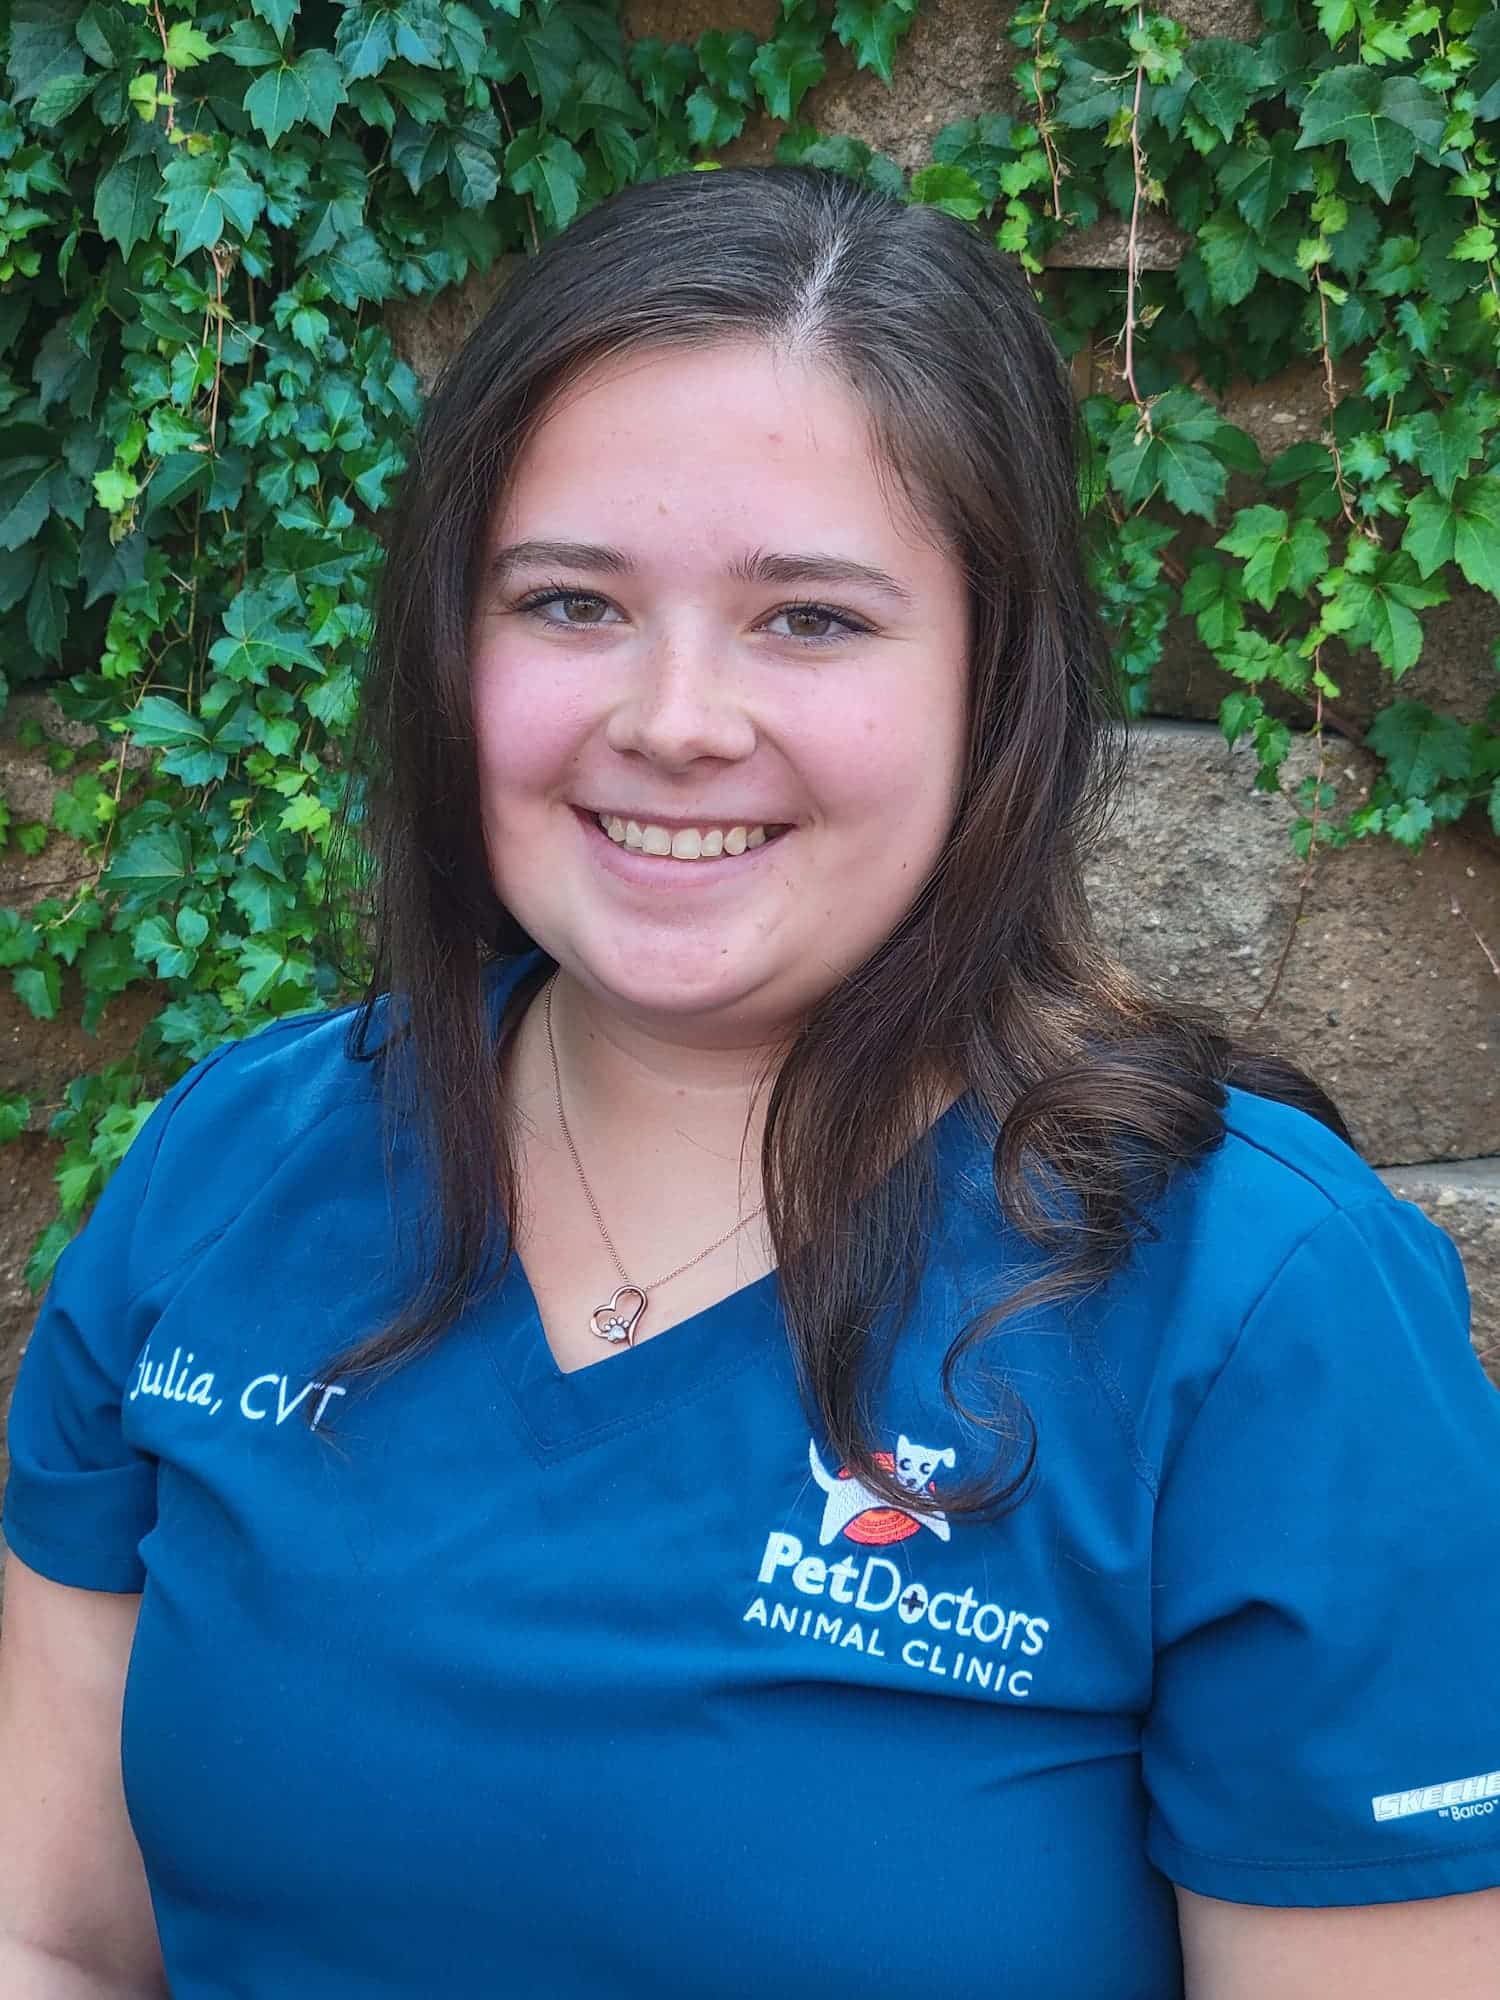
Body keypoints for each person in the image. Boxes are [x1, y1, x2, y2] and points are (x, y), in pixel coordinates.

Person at [2, 164, 1498, 2000]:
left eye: (811, 618)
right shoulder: (236, 1161)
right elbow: (51, 1934)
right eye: (568, 602)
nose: (676, 717)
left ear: (996, 684)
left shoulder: (1258, 1306)